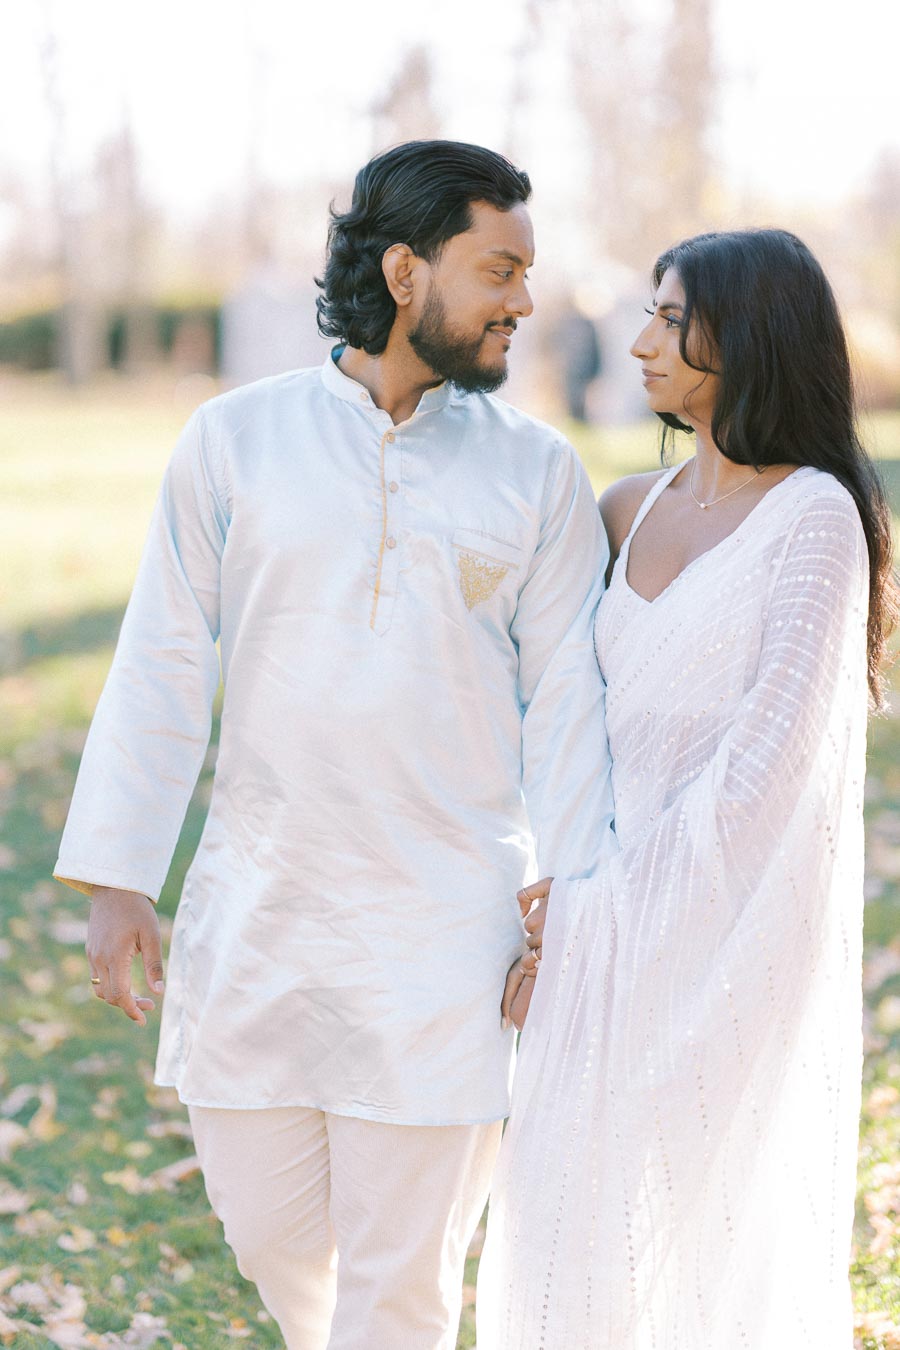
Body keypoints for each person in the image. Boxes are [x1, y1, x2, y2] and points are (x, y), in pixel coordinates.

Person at [52, 141, 616, 1350]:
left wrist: (570, 894)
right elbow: (162, 661)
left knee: (400, 1292)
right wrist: (117, 878)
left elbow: (572, 701)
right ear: (406, 271)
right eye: (499, 267)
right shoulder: (232, 441)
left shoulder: (538, 473)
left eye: (527, 271)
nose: (524, 298)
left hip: (446, 937)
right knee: (275, 1243)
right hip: (260, 916)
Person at [478, 228, 898, 1348]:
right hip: (592, 916)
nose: (643, 339)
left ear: (750, 331)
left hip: (732, 928)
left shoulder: (815, 521)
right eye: (651, 314)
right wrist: (553, 886)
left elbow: (766, 774)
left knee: (703, 1221)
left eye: (672, 317)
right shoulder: (625, 508)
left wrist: (599, 913)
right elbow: (560, 726)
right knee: (572, 1209)